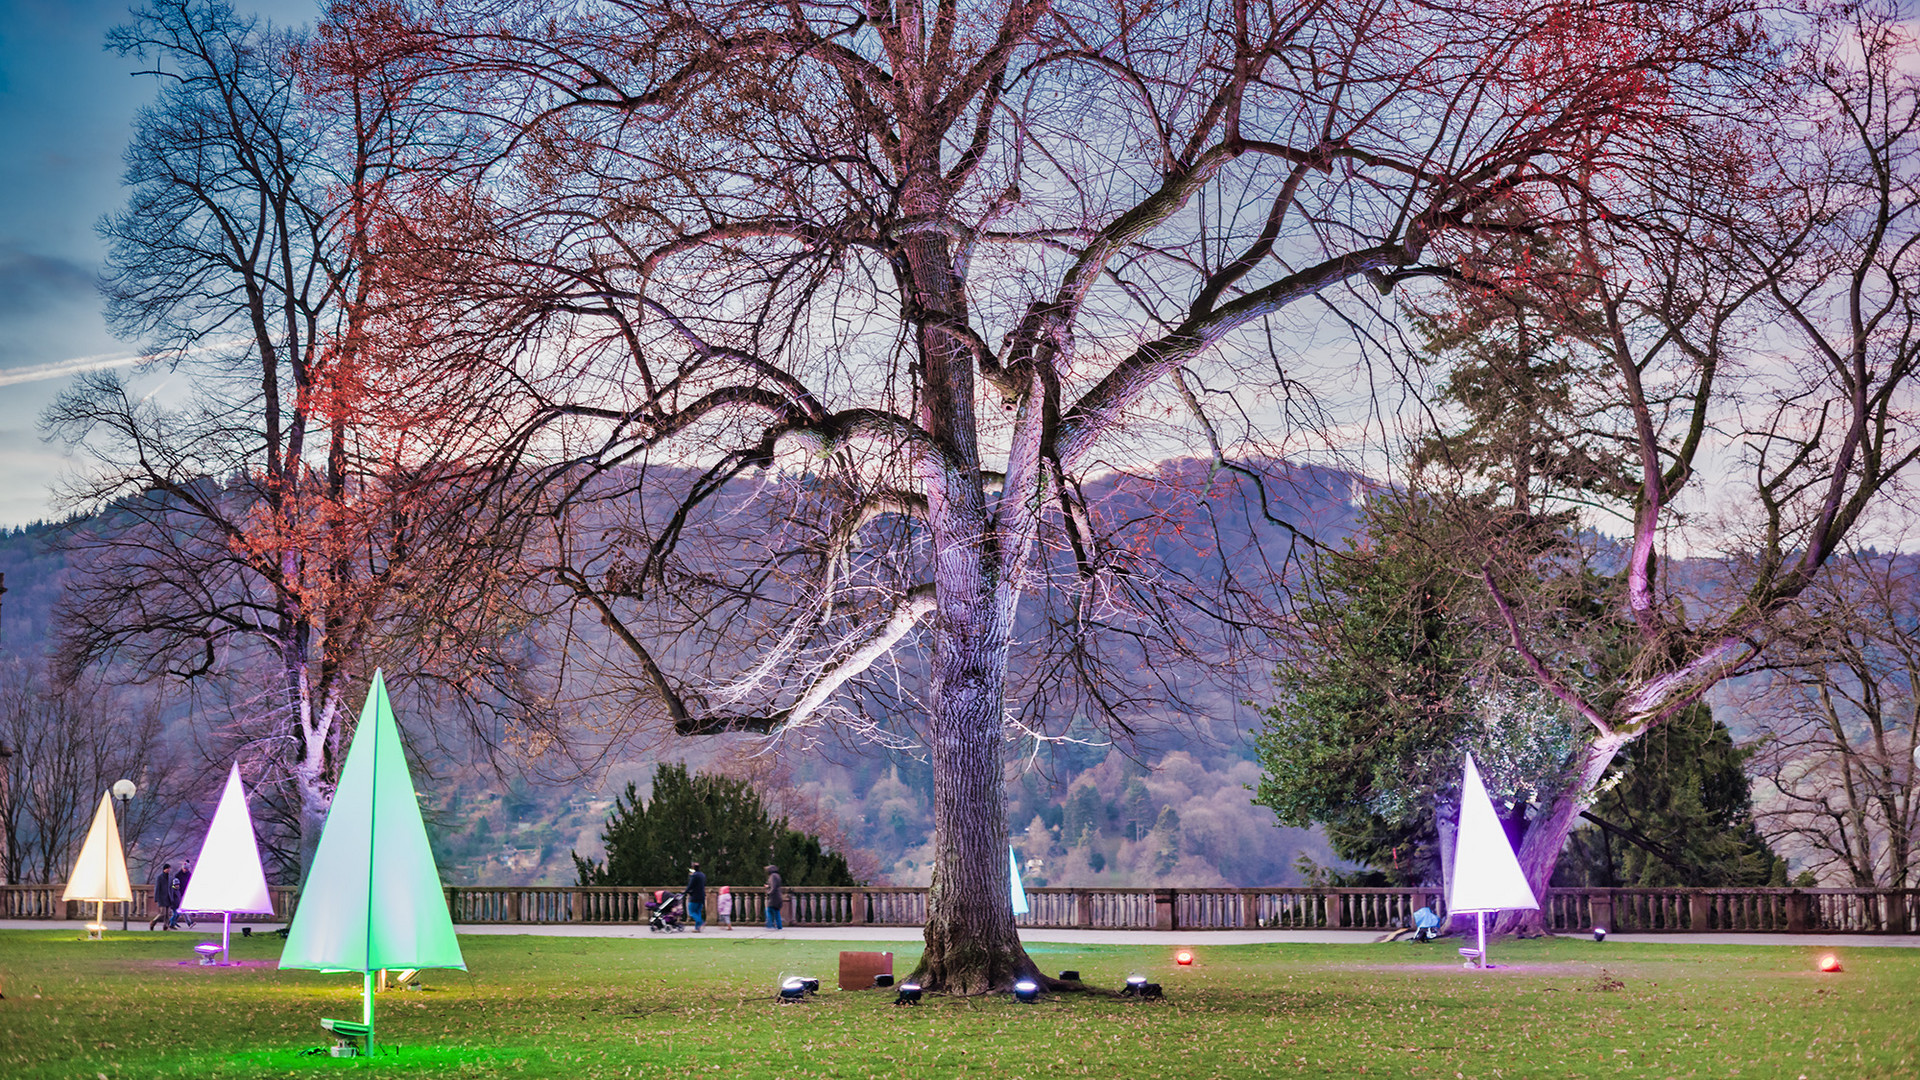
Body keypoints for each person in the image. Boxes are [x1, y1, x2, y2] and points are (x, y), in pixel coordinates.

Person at [148, 862, 174, 931]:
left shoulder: (170, 878)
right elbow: (157, 888)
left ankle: (165, 926)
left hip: (168, 898)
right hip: (162, 898)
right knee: (162, 913)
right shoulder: (159, 877)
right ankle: (153, 922)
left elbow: (171, 888)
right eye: (167, 868)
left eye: (169, 868)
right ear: (164, 869)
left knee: (168, 914)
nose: (169, 870)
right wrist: (156, 898)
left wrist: (172, 897)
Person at [171, 861, 194, 929]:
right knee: (179, 910)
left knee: (181, 910)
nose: (185, 870)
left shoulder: (189, 875)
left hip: (185, 893)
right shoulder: (178, 875)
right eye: (184, 868)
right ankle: (189, 923)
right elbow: (174, 885)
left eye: (186, 869)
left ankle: (173, 922)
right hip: (179, 894)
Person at [685, 861, 707, 932]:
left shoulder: (694, 875)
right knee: (698, 912)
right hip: (702, 896)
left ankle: (700, 922)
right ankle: (697, 928)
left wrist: (685, 891)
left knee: (691, 912)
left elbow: (690, 885)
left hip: (694, 896)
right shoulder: (702, 875)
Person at [764, 864, 784, 930]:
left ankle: (770, 925)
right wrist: (768, 886)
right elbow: (775, 885)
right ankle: (779, 926)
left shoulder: (772, 876)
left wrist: (769, 893)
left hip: (774, 897)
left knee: (768, 910)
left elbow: (774, 887)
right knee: (776, 912)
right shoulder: (777, 876)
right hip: (778, 896)